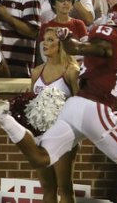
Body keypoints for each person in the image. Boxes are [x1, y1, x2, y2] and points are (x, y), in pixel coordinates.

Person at [0, 2, 117, 203]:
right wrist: (69, 41)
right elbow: (82, 47)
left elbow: (114, 99)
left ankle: (3, 117)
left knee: (41, 158)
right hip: (94, 109)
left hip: (75, 107)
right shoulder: (114, 39)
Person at [30, 26, 80, 203]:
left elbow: (80, 105)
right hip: (40, 137)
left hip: (63, 136)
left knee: (65, 187)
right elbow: (31, 105)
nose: (45, 43)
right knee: (48, 187)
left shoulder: (71, 71)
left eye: (51, 39)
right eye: (45, 39)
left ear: (62, 45)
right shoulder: (36, 72)